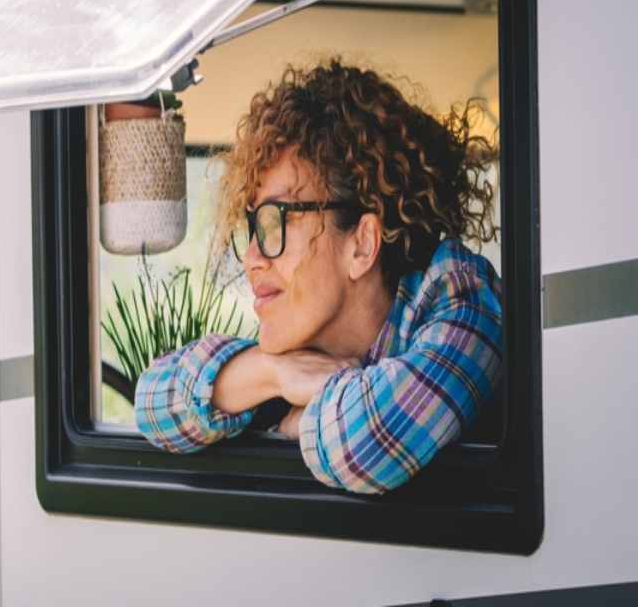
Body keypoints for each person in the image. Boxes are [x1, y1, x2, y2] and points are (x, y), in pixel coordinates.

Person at [134, 59, 502, 494]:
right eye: (252, 227)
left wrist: (294, 419)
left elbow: (366, 447)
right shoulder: (303, 348)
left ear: (361, 244)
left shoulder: (464, 298)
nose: (251, 258)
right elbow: (152, 401)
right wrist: (273, 373)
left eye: (275, 222)